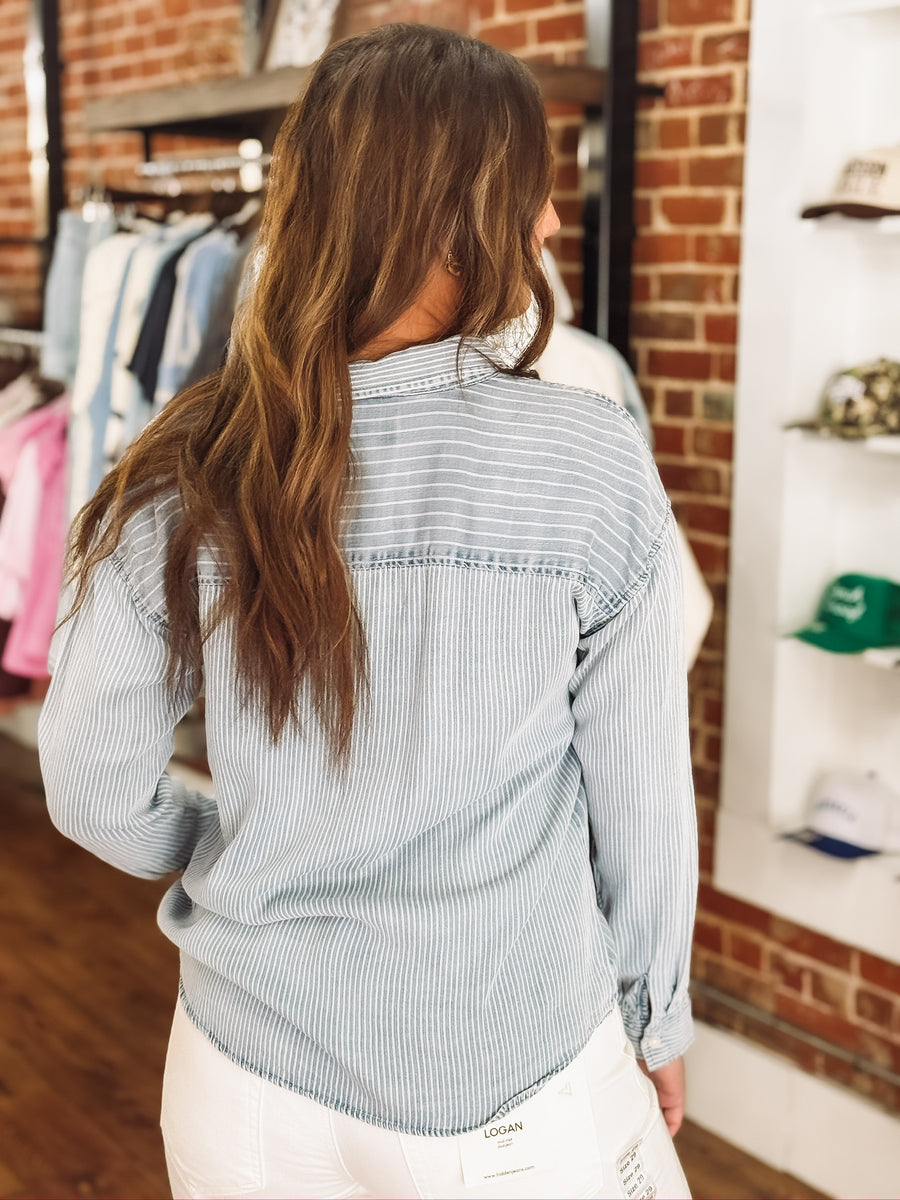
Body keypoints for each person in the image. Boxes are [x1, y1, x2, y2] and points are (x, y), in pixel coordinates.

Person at [39, 23, 697, 1200]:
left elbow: (90, 791)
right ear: (449, 215)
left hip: (244, 1077)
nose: (549, 227)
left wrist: (248, 849)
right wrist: (659, 1017)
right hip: (515, 1078)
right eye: (529, 194)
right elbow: (641, 792)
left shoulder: (188, 463)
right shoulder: (590, 455)